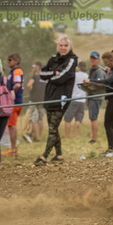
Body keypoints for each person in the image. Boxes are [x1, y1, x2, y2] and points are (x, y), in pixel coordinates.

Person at [34, 36, 78, 165]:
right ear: (57, 46)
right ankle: (59, 155)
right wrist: (54, 73)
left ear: (70, 47)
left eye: (65, 45)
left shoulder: (72, 60)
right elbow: (42, 73)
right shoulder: (53, 59)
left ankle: (44, 156)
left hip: (62, 99)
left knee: (53, 128)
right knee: (53, 127)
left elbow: (62, 77)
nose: (63, 48)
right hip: (49, 97)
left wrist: (51, 76)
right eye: (61, 45)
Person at [90, 50, 113, 156]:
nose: (105, 65)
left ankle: (111, 147)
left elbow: (108, 81)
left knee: (107, 123)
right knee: (111, 123)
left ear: (111, 61)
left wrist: (92, 81)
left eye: (107, 63)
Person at [64, 60, 89, 138]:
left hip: (74, 99)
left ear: (79, 67)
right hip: (82, 100)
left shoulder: (74, 75)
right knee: (78, 119)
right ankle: (75, 135)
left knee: (68, 119)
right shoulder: (87, 75)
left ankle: (67, 136)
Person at [24, 61, 46, 143]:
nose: (32, 68)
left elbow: (28, 85)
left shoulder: (34, 76)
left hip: (34, 100)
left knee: (34, 119)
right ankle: (40, 135)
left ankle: (36, 137)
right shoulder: (45, 77)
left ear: (37, 67)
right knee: (40, 119)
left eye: (33, 66)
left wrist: (30, 88)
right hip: (42, 100)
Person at [6, 53, 23, 157]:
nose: (8, 62)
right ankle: (13, 148)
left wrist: (9, 92)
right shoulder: (13, 71)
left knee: (11, 126)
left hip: (15, 102)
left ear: (16, 61)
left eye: (10, 60)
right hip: (16, 102)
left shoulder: (16, 71)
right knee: (12, 125)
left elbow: (17, 84)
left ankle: (13, 149)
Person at [87, 51, 106, 144]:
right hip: (91, 96)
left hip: (96, 97)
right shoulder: (92, 70)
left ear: (98, 60)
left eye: (95, 58)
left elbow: (100, 84)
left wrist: (89, 81)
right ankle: (93, 137)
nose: (93, 60)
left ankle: (94, 139)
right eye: (92, 58)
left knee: (93, 118)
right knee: (92, 118)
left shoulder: (99, 71)